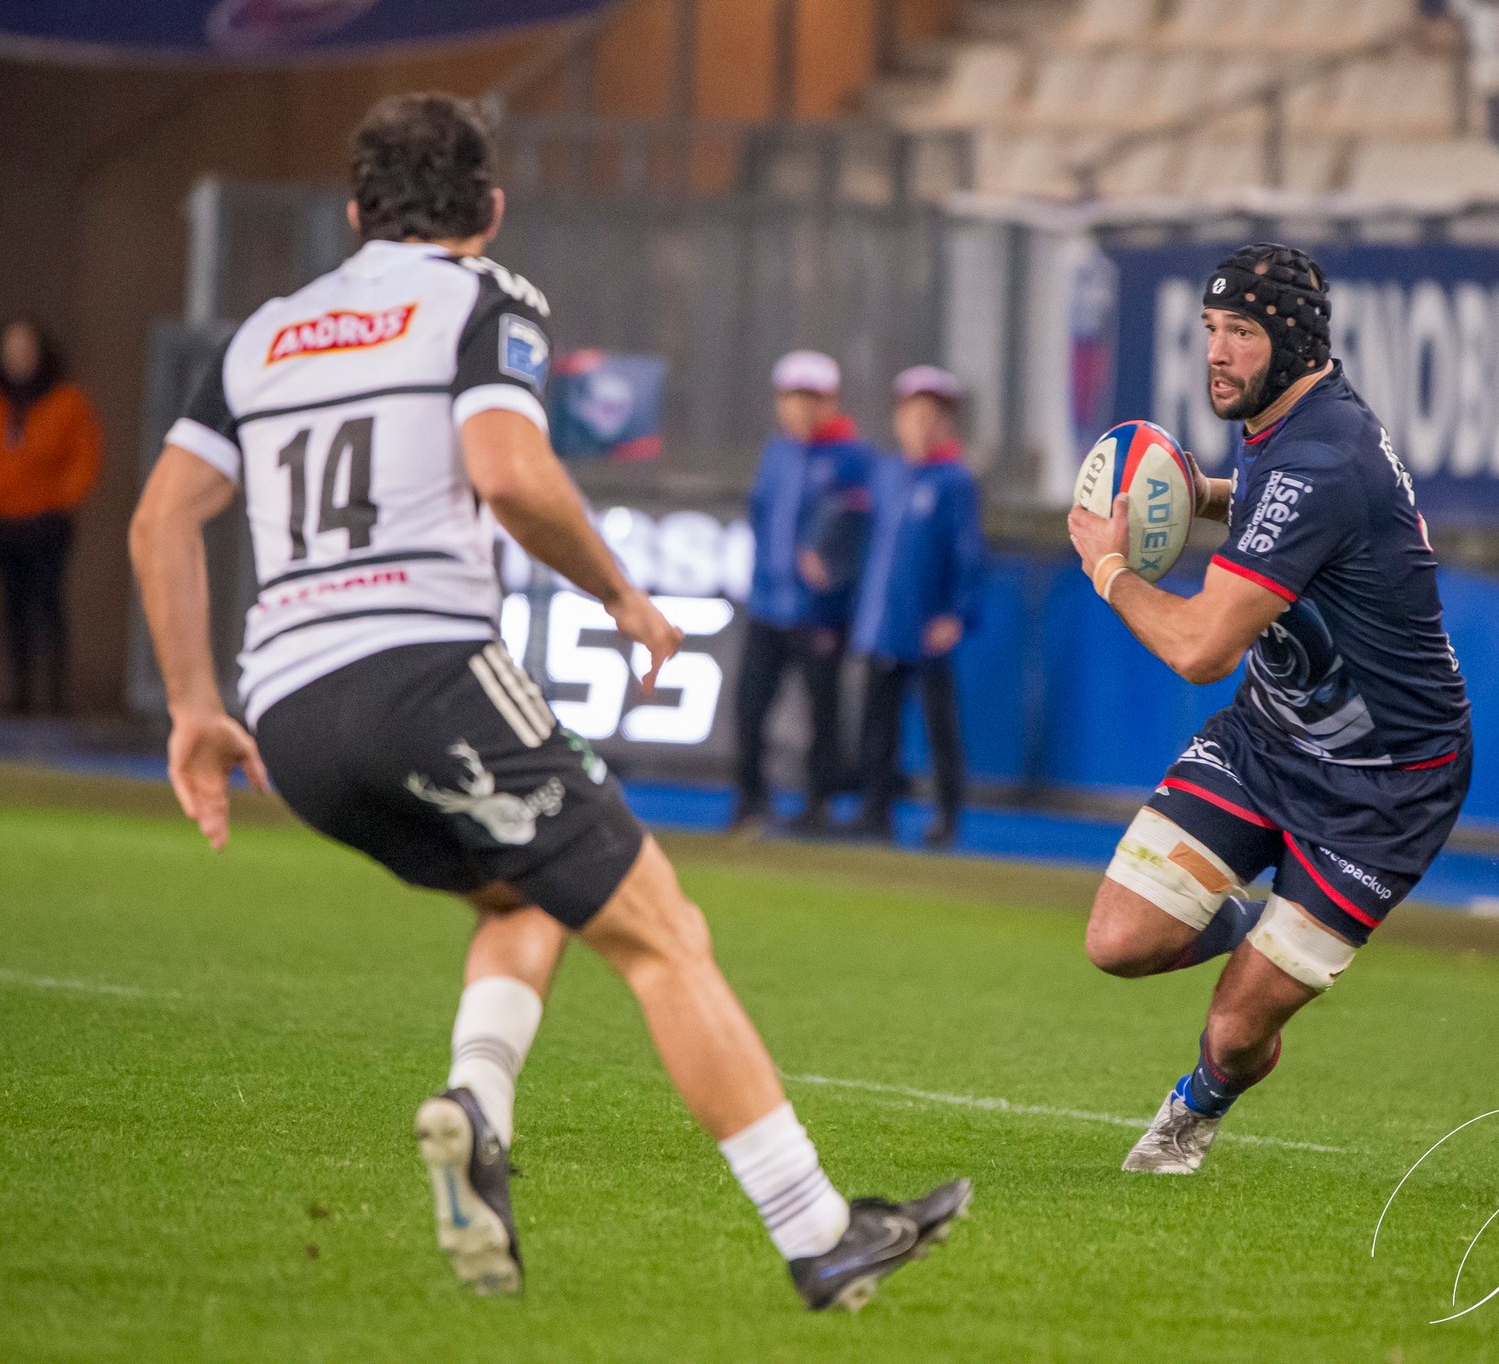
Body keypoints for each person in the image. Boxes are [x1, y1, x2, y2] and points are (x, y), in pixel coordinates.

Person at [127, 92, 966, 1309]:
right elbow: (509, 472)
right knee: (662, 931)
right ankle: (819, 1229)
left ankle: (477, 1105)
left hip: (290, 718)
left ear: (356, 212)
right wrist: (623, 595)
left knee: (523, 887)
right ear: (491, 212)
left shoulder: (261, 334)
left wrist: (194, 707)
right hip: (425, 672)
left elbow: (162, 519)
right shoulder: (480, 297)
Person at [1067, 243, 1471, 1173]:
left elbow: (1201, 650)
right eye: (1210, 329)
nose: (1215, 352)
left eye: (1240, 333)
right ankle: (1261, 923)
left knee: (1237, 1036)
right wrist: (1192, 494)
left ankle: (1193, 1112)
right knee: (1119, 941)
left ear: (1293, 343)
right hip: (1270, 740)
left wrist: (1108, 564)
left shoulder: (1320, 461)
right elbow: (1264, 501)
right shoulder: (1294, 429)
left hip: (1386, 788)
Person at [732, 350, 874, 833]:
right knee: (750, 706)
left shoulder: (854, 458)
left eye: (813, 398)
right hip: (769, 606)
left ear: (831, 402)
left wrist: (835, 573)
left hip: (819, 612)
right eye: (794, 398)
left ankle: (820, 804)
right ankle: (751, 801)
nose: (802, 408)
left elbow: (864, 529)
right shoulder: (778, 453)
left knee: (823, 715)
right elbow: (760, 517)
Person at [847, 365, 984, 848]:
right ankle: (874, 810)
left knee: (938, 727)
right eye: (914, 415)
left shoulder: (954, 481)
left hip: (928, 625)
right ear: (899, 419)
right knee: (877, 724)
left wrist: (956, 614)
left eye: (933, 417)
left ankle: (947, 816)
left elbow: (968, 554)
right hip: (885, 622)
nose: (922, 426)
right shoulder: (886, 474)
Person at [0, 317, 102, 713]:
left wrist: (62, 497)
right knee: (12, 604)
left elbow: (84, 456)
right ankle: (21, 696)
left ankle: (56, 697)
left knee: (47, 602)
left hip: (46, 521)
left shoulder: (66, 402)